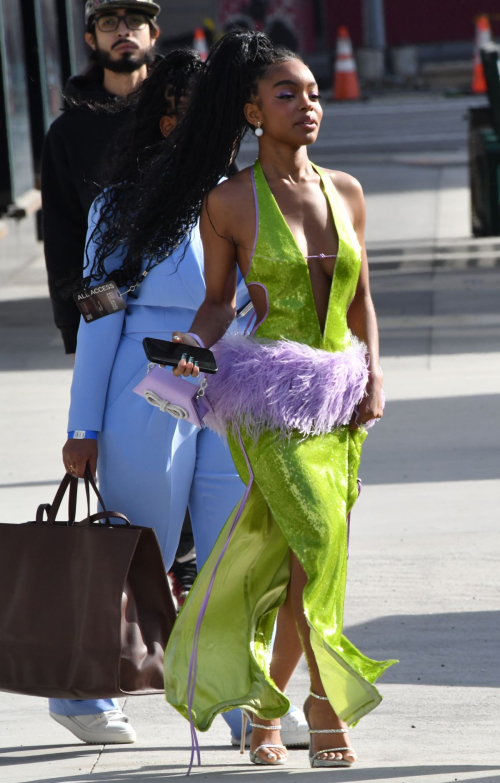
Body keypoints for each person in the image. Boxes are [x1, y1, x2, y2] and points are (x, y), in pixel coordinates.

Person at [92, 30, 397, 769]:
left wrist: (376, 374)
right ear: (254, 112)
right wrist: (188, 356)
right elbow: (218, 304)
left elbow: (362, 300)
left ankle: (264, 712)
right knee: (320, 544)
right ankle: (325, 709)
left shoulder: (347, 192)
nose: (308, 105)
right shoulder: (228, 202)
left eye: (315, 92)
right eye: (287, 94)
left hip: (342, 402)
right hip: (270, 405)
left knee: (300, 564)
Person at [54, 49, 309, 751]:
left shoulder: (247, 195)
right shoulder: (120, 204)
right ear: (166, 121)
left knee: (233, 553)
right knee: (140, 550)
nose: (226, 133)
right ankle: (81, 692)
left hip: (229, 392)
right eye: (202, 118)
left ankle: (233, 700)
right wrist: (84, 426)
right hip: (149, 392)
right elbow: (99, 317)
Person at [41, 0, 161, 356]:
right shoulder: (68, 132)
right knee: (107, 408)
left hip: (190, 302)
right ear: (91, 39)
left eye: (135, 20)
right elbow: (64, 236)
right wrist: (87, 330)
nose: (123, 30)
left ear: (153, 34)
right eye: (109, 22)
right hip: (111, 303)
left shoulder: (184, 113)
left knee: (188, 410)